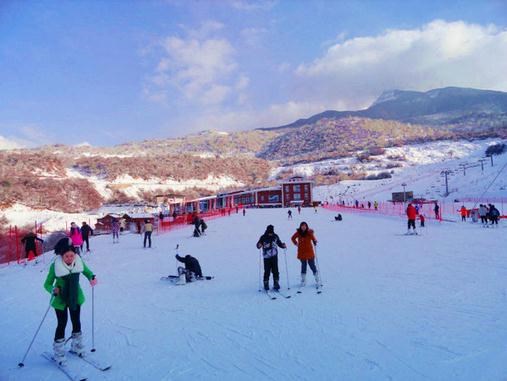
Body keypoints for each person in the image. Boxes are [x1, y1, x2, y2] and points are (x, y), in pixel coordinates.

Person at [44, 237, 97, 365]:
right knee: (62, 323)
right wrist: (53, 289)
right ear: (61, 255)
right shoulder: (55, 266)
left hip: (75, 297)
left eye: (71, 255)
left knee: (76, 321)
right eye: (66, 256)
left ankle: (76, 347)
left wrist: (91, 277)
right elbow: (47, 284)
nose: (69, 258)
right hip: (60, 300)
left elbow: (87, 272)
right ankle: (59, 353)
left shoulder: (78, 262)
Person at [256, 225, 286, 291]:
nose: (270, 233)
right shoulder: (263, 237)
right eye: (269, 232)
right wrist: (259, 245)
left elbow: (279, 243)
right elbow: (258, 244)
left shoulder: (275, 236)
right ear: (267, 230)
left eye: (271, 232)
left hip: (274, 256)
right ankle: (266, 283)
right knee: (267, 270)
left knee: (275, 270)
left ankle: (276, 283)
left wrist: (283, 245)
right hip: (266, 257)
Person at [291, 222, 319, 287]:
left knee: (312, 265)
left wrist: (314, 241)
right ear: (300, 226)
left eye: (304, 226)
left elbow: (313, 238)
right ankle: (303, 280)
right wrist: (296, 243)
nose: (303, 227)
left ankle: (317, 278)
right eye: (302, 226)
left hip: (309, 252)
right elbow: (292, 238)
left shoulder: (309, 232)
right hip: (302, 252)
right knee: (303, 266)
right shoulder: (298, 232)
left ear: (306, 226)